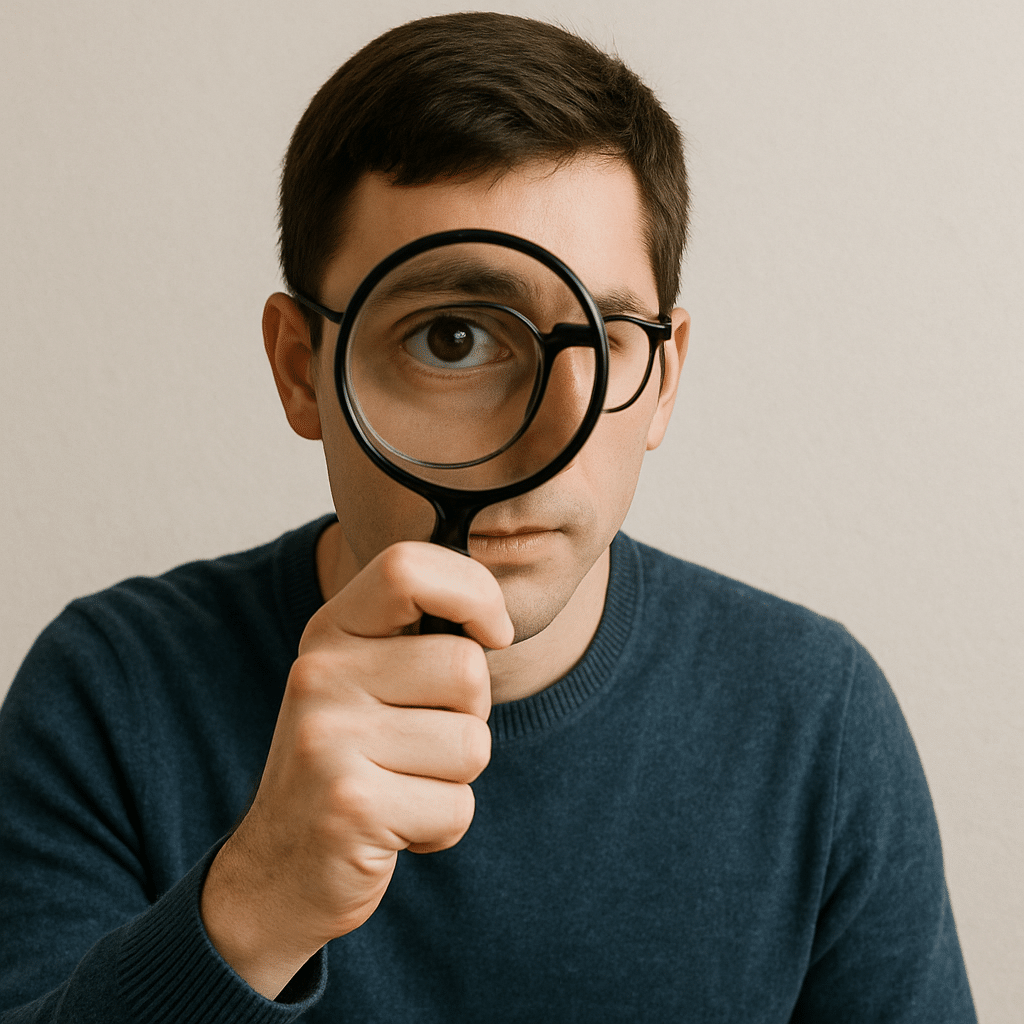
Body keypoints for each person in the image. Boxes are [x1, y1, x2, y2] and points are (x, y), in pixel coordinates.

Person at [0, 12, 976, 1022]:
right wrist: (256, 904)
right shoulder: (112, 694)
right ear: (302, 368)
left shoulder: (815, 718)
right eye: (455, 336)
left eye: (604, 340)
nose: (550, 430)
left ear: (665, 377)